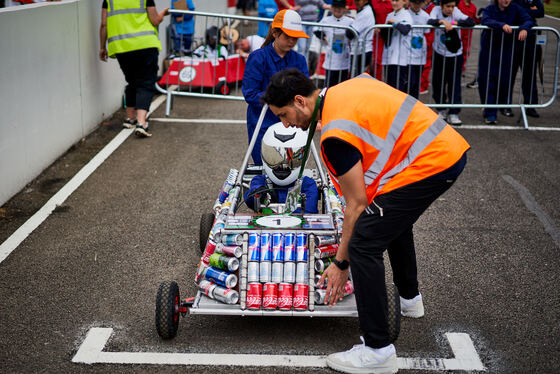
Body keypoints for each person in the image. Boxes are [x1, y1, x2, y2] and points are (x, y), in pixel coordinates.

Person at [262, 68, 469, 374]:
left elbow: (356, 205)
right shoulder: (345, 89)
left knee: (363, 243)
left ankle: (378, 351)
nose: (285, 123)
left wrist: (341, 263)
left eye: (283, 114)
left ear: (300, 101)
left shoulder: (335, 135)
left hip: (432, 159)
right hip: (442, 147)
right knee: (391, 221)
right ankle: (410, 300)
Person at [241, 9, 309, 165]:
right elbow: (250, 94)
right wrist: (278, 98)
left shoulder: (299, 60)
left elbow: (305, 92)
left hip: (293, 126)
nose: (291, 41)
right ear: (275, 33)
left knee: (292, 168)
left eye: (295, 38)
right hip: (262, 123)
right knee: (266, 167)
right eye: (287, 37)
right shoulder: (258, 57)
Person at [99, 0, 169, 138]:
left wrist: (102, 47)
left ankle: (130, 118)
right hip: (145, 45)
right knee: (146, 83)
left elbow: (104, 25)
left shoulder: (109, 1)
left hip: (122, 47)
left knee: (132, 81)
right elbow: (155, 20)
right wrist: (163, 13)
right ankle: (141, 123)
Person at [477, 0, 533, 124]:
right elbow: (485, 20)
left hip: (506, 51)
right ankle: (490, 113)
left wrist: (524, 28)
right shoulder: (490, 9)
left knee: (503, 81)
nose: (506, 0)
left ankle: (497, 106)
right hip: (489, 51)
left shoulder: (516, 9)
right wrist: (500, 25)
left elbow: (528, 20)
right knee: (486, 81)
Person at [244, 123, 319, 213]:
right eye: (276, 159)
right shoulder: (260, 181)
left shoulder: (308, 184)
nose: (282, 166)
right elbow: (249, 200)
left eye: (289, 160)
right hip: (265, 225)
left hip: (297, 225)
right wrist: (260, 193)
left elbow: (310, 211)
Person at [427, 0, 475, 126]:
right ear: (441, 5)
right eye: (447, 6)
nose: (450, 9)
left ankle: (454, 112)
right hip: (439, 53)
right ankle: (441, 109)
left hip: (454, 54)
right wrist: (442, 22)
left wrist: (454, 23)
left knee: (454, 84)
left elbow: (471, 21)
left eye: (452, 6)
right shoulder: (435, 10)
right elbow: (429, 21)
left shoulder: (456, 12)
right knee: (438, 83)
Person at [510, 0, 544, 118]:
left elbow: (541, 12)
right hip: (514, 38)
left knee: (530, 74)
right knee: (510, 73)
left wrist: (527, 12)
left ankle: (530, 105)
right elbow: (513, 11)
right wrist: (530, 11)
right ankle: (506, 104)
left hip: (531, 39)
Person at [314, 0, 353, 87]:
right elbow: (316, 29)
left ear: (344, 9)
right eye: (335, 7)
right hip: (331, 60)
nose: (338, 9)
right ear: (331, 8)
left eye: (340, 7)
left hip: (344, 61)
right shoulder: (326, 20)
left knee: (343, 85)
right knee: (329, 85)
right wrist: (323, 37)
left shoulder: (349, 21)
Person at [382, 0, 413, 93]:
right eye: (393, 0)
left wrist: (395, 23)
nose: (394, 3)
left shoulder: (406, 15)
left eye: (397, 0)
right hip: (389, 56)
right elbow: (386, 36)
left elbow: (406, 30)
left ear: (404, 2)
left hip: (400, 59)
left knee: (398, 87)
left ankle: (399, 107)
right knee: (389, 86)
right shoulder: (390, 15)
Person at [408, 0, 431, 98]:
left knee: (416, 83)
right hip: (407, 55)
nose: (417, 5)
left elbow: (427, 32)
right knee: (409, 81)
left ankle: (414, 105)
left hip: (420, 53)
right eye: (414, 2)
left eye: (419, 3)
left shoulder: (426, 16)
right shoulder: (406, 14)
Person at [346, 0, 376, 77]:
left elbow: (350, 33)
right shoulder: (363, 11)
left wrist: (348, 24)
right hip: (360, 50)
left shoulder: (366, 13)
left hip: (362, 51)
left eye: (358, 0)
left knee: (356, 77)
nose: (356, 2)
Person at [371, 0, 394, 80]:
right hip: (378, 34)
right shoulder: (373, 2)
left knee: (392, 60)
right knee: (377, 60)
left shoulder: (393, 2)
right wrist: (373, 25)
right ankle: (377, 81)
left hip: (391, 33)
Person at [457, 0, 478, 72]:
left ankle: (461, 67)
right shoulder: (459, 4)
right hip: (458, 32)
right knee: (456, 49)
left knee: (465, 51)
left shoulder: (473, 7)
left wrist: (480, 19)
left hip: (468, 34)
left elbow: (474, 19)